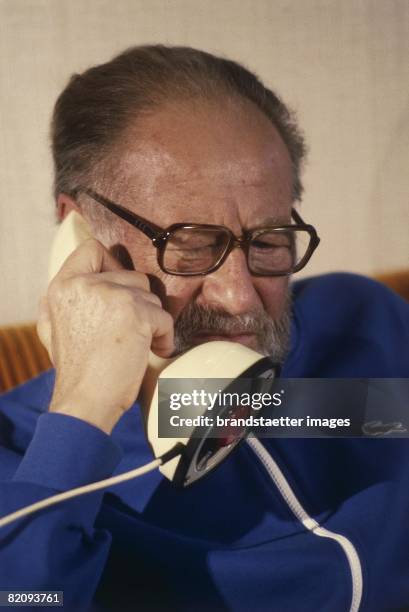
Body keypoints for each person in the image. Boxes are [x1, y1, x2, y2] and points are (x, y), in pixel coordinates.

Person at [0, 45, 408, 612]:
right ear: (78, 233)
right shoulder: (17, 451)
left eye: (267, 241)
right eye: (189, 246)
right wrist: (82, 417)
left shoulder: (358, 321)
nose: (241, 297)